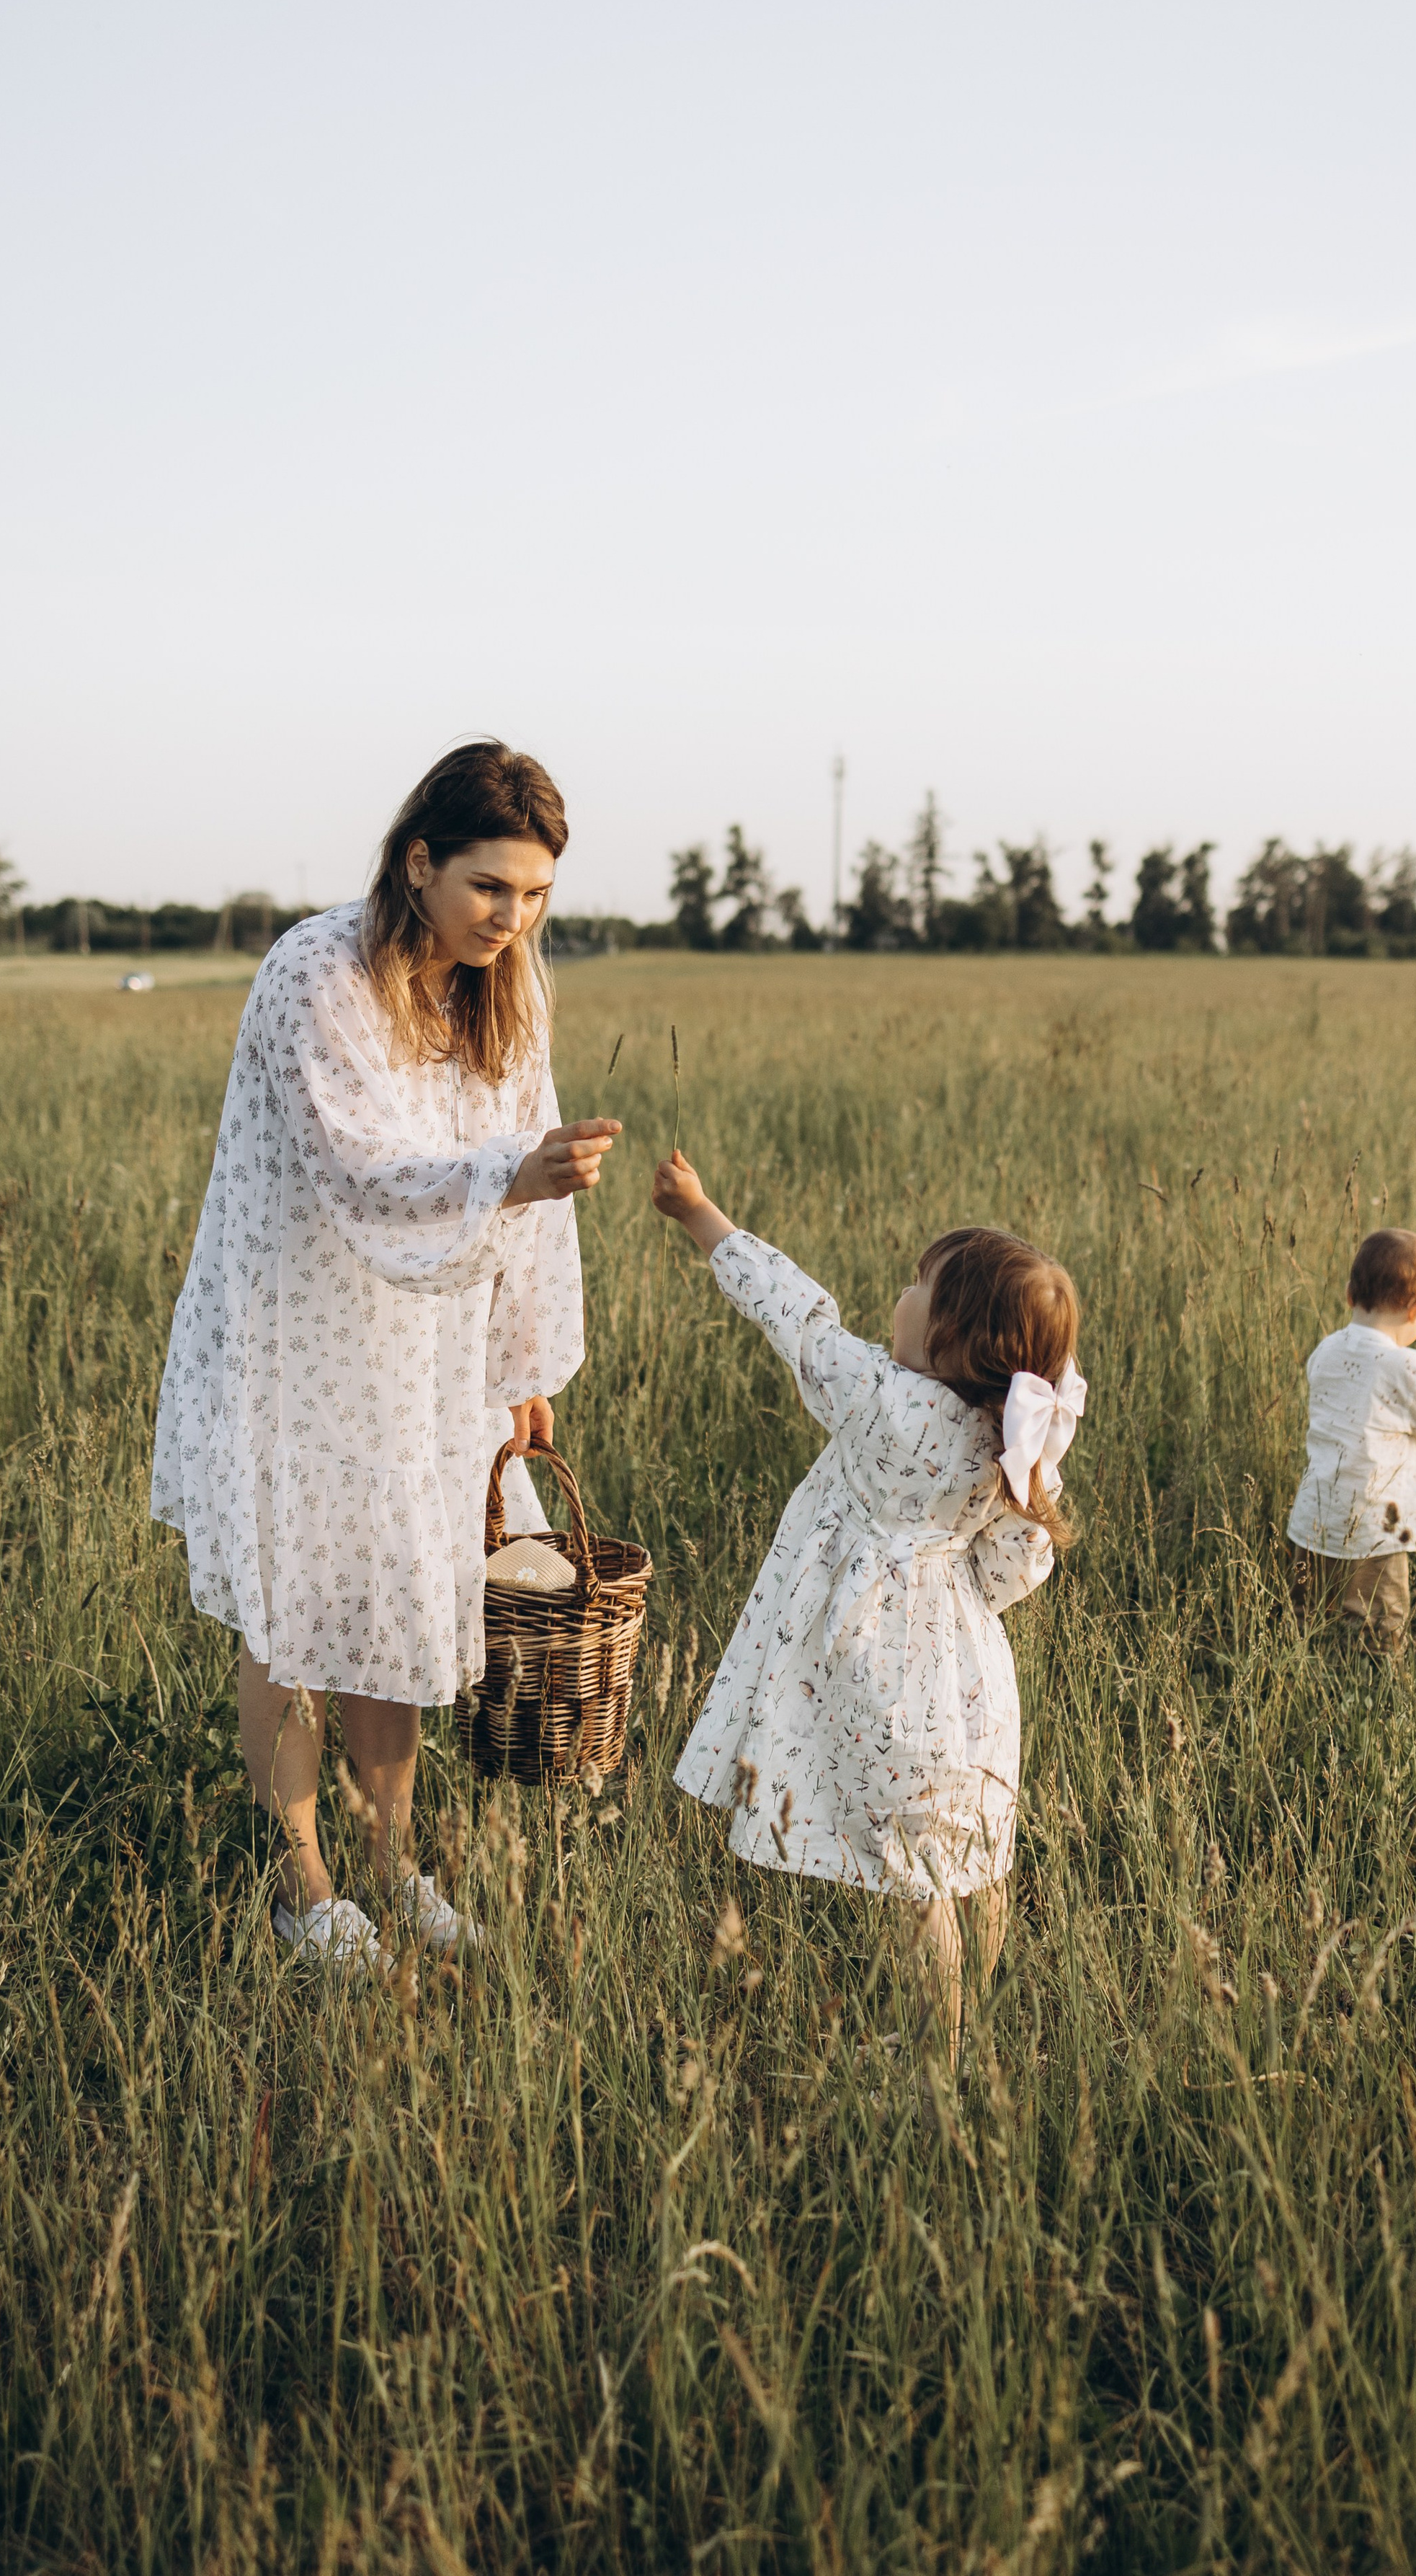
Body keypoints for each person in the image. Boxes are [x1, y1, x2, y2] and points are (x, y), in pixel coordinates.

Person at [152, 743, 622, 1971]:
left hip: (424, 1345)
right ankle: (305, 1887)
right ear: (419, 862)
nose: (510, 918)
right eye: (487, 888)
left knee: (403, 1593)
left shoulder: (506, 987)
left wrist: (520, 1365)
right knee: (296, 1606)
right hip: (294, 1335)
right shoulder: (316, 971)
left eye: (534, 896)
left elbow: (537, 1184)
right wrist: (511, 1174)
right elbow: (357, 1164)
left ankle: (392, 1861)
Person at [651, 1151, 1083, 2063]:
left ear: (953, 1336)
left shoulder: (888, 1403)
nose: (899, 1291)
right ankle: (982, 2015)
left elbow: (797, 1319)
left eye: (918, 1286)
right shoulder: (1012, 1441)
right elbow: (1012, 1566)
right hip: (967, 1672)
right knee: (972, 1857)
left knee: (910, 1882)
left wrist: (701, 1217)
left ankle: (936, 2059)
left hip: (880, 1670)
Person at [1288, 1227, 1416, 1651]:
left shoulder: (1326, 1350)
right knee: (1378, 1626)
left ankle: (1303, 1678)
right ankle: (1378, 1698)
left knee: (1307, 1615)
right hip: (1372, 1529)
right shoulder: (1405, 1364)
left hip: (1313, 1517)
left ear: (1350, 1294)